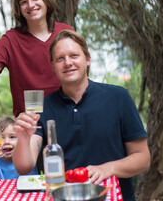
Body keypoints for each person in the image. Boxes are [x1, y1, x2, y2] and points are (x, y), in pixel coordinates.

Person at [12, 29, 150, 200]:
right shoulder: (43, 107)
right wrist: (23, 139)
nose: (68, 62)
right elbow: (24, 167)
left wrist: (108, 168)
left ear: (88, 59)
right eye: (60, 59)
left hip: (112, 196)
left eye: (74, 56)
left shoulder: (119, 97)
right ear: (53, 66)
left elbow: (143, 158)